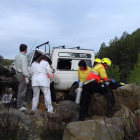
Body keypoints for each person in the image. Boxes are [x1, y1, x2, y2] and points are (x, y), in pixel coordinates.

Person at [15, 44, 29, 111]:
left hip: (18, 74)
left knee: (20, 89)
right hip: (22, 74)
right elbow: (24, 68)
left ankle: (21, 103)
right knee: (22, 90)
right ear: (26, 49)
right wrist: (26, 77)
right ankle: (20, 106)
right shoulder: (24, 57)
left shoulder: (17, 56)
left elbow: (15, 66)